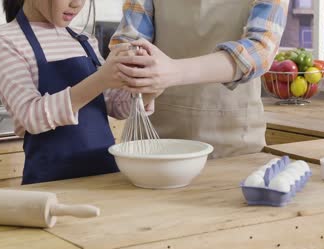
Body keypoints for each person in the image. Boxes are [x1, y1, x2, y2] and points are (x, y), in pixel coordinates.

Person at [0, 0, 154, 184]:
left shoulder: (83, 39)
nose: (76, 4)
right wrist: (101, 79)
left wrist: (151, 85)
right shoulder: (4, 41)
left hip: (107, 179)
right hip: (50, 185)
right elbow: (30, 116)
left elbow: (115, 106)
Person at [111, 0, 289, 159]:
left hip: (234, 147)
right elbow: (126, 45)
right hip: (153, 144)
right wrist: (134, 62)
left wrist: (174, 71)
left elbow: (260, 51)